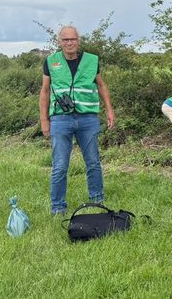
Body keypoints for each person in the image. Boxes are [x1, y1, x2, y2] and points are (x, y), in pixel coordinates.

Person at [39, 25, 115, 216]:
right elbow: (45, 91)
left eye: (73, 39)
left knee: (93, 162)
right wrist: (44, 120)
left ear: (78, 41)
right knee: (59, 166)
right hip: (60, 119)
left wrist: (109, 110)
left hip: (88, 118)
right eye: (65, 40)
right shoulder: (51, 61)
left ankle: (97, 201)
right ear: (59, 42)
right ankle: (57, 208)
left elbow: (101, 85)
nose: (69, 43)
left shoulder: (91, 60)